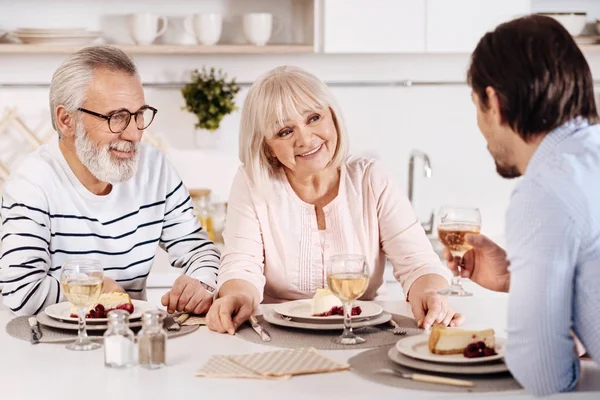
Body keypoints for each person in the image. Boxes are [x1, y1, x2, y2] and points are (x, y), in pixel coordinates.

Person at [206, 65, 464, 334]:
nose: (305, 139)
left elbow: (419, 264)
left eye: (314, 118)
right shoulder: (252, 183)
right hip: (278, 334)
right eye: (285, 132)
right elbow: (241, 267)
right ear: (268, 148)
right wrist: (238, 297)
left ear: (332, 117)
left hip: (365, 331)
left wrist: (430, 294)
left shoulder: (371, 178)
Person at [444, 15, 600, 396]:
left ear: (494, 103)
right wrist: (519, 279)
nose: (480, 128)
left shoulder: (544, 189)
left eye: (476, 106)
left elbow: (545, 375)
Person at [0, 46, 219, 316]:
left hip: (130, 340)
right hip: (53, 346)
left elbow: (199, 249)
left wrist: (202, 281)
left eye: (139, 115)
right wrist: (95, 288)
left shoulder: (155, 168)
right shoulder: (32, 183)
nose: (134, 134)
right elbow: (21, 293)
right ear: (66, 120)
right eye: (117, 117)